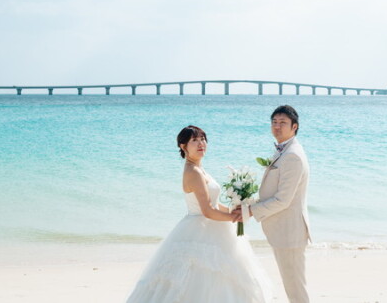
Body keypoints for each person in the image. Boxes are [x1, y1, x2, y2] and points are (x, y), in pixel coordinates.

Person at [125, 125, 271, 303]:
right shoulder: (193, 172)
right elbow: (208, 211)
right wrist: (235, 218)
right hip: (200, 228)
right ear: (183, 146)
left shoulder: (199, 169)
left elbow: (215, 204)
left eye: (203, 139)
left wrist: (237, 210)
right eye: (194, 140)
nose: (201, 143)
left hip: (209, 227)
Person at [238, 105, 311, 303]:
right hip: (284, 231)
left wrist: (250, 211)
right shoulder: (284, 151)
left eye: (283, 123)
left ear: (294, 126)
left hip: (290, 233)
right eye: (274, 122)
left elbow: (283, 200)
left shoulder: (293, 156)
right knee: (293, 287)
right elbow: (273, 192)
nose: (277, 126)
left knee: (296, 290)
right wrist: (245, 203)